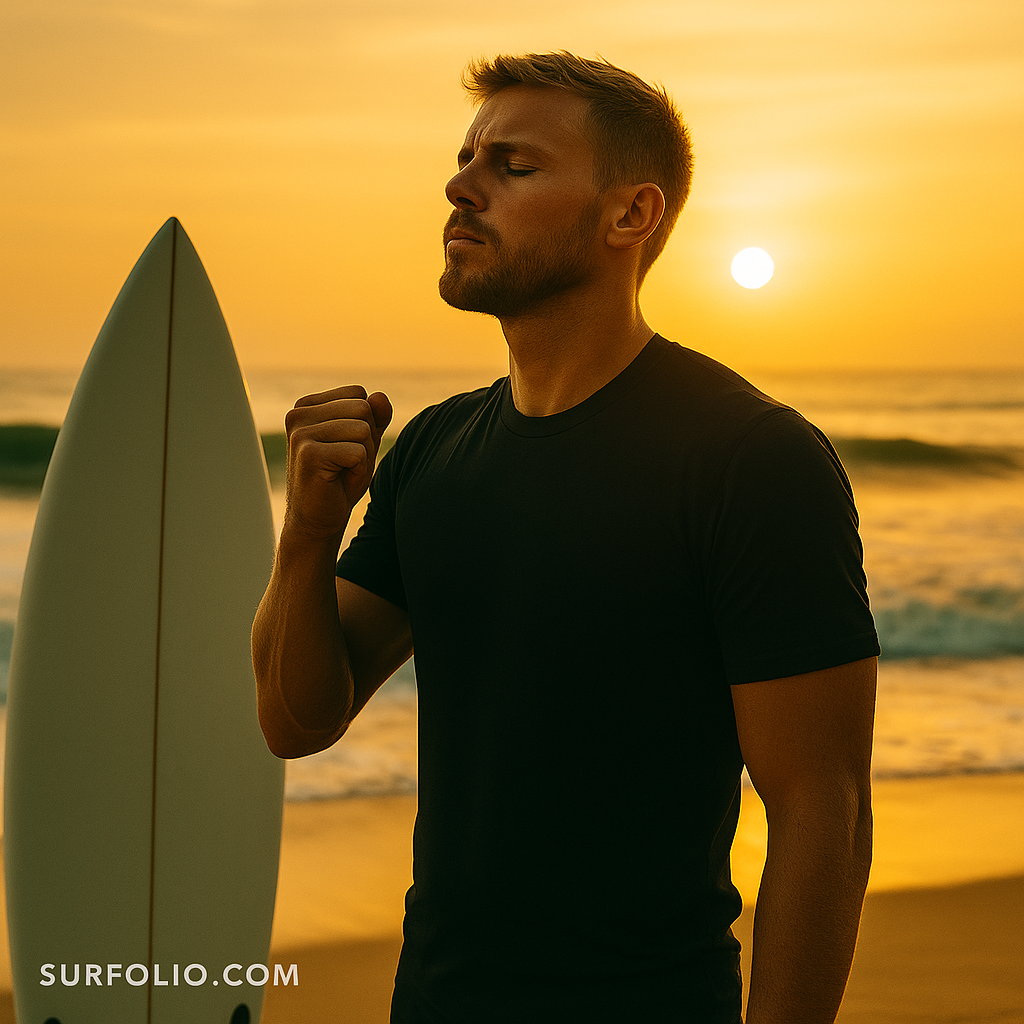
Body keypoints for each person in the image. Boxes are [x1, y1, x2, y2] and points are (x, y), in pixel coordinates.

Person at [252, 52, 880, 1024]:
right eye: (466, 159)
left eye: (513, 165)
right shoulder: (433, 451)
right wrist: (308, 533)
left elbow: (820, 810)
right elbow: (298, 719)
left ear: (629, 214)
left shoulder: (748, 456)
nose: (461, 186)